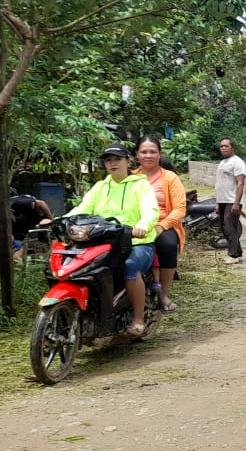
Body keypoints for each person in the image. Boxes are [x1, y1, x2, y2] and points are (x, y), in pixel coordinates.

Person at [68, 143, 159, 336]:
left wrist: (142, 226)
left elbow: (151, 209)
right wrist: (60, 220)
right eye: (108, 160)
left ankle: (138, 319)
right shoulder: (100, 187)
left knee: (131, 268)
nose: (113, 163)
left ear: (128, 161)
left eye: (117, 159)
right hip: (104, 242)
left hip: (137, 242)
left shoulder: (141, 185)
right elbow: (82, 208)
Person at [134, 136, 187, 312]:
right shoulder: (130, 178)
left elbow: (179, 209)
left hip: (163, 225)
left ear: (159, 154)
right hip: (135, 225)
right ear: (136, 155)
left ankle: (163, 294)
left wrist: (161, 226)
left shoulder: (170, 178)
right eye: (144, 152)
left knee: (168, 244)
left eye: (152, 152)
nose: (148, 155)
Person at [215, 138, 246, 263]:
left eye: (226, 146)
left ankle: (233, 255)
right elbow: (219, 184)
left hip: (232, 200)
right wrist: (218, 203)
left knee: (229, 227)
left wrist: (236, 203)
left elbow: (240, 183)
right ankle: (237, 253)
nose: (223, 148)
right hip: (222, 200)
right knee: (224, 228)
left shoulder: (237, 162)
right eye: (221, 146)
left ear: (232, 147)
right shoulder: (223, 162)